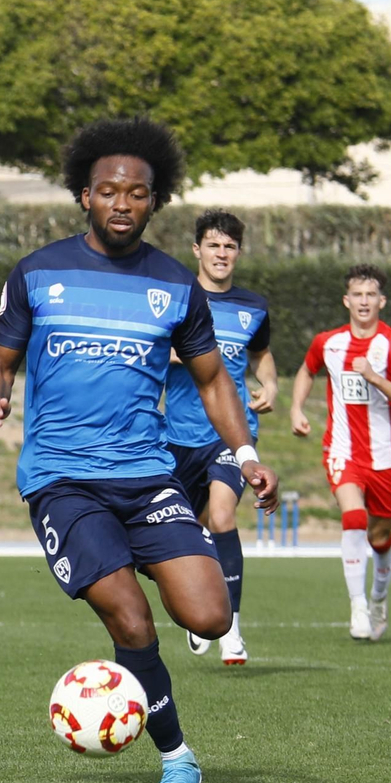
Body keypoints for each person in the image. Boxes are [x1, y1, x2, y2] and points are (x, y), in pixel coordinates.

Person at [0, 119, 280, 783]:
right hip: (62, 480)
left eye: (136, 193)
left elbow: (212, 380)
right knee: (131, 616)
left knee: (210, 616)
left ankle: (140, 623)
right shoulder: (37, 274)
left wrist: (246, 452)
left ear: (154, 202)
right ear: (84, 195)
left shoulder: (175, 286)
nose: (121, 202)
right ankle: (177, 754)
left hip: (147, 477)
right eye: (108, 190)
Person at [162, 210, 276, 666]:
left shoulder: (254, 307)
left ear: (238, 253)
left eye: (229, 246)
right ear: (197, 250)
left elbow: (262, 356)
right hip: (177, 436)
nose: (221, 253)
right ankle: (199, 610)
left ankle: (231, 628)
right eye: (213, 245)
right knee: (192, 532)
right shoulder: (174, 300)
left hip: (232, 434)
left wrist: (270, 384)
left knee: (224, 517)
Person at [288, 264, 391, 642]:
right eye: (357, 295)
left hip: (386, 456)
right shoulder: (328, 343)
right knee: (354, 517)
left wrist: (376, 378)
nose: (364, 302)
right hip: (342, 450)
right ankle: (358, 605)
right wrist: (297, 408)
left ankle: (379, 598)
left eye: (370, 295)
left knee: (380, 535)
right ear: (347, 301)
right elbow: (306, 369)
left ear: (382, 301)